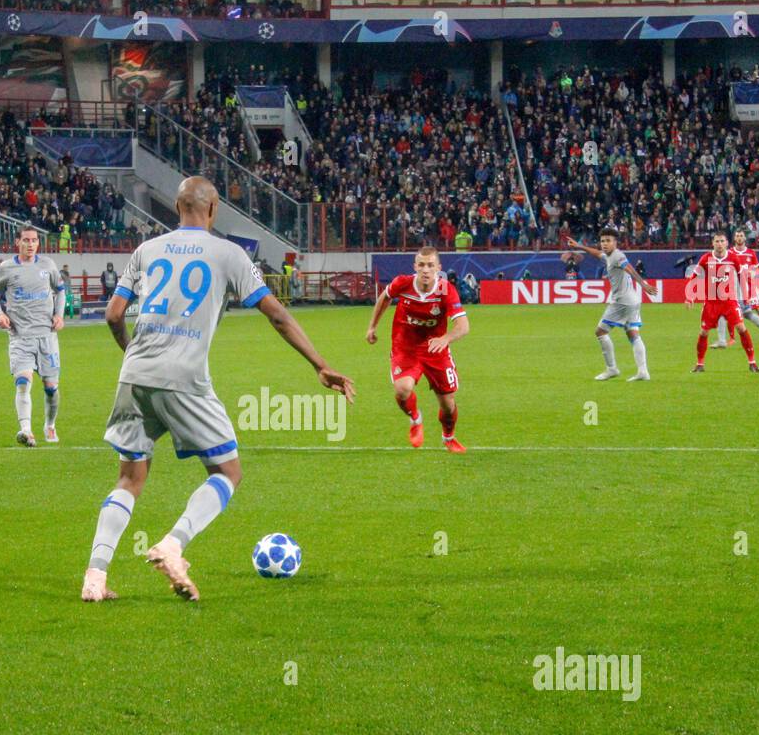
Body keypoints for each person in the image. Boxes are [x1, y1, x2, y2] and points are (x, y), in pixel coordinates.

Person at [81, 176, 354, 604]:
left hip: (134, 374)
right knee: (228, 472)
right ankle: (173, 544)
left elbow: (114, 314)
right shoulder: (229, 254)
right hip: (185, 379)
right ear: (214, 209)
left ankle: (94, 577)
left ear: (176, 206)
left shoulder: (146, 250)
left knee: (130, 478)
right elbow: (277, 315)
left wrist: (131, 354)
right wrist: (320, 364)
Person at [365, 245, 469, 452]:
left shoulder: (446, 290)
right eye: (421, 265)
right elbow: (384, 298)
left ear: (438, 267)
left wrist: (445, 338)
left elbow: (463, 326)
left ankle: (448, 437)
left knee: (448, 405)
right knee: (403, 390)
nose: (425, 270)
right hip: (406, 348)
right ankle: (415, 419)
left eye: (430, 265)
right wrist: (372, 326)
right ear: (415, 266)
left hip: (435, 350)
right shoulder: (402, 283)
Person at [0, 226, 65, 447]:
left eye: (34, 240)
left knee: (51, 388)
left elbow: (60, 290)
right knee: (23, 382)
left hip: (47, 337)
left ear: (38, 243)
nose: (30, 244)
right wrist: (0, 314)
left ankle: (50, 425)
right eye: (26, 240)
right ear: (18, 242)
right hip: (20, 337)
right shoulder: (7, 268)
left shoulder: (48, 265)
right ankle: (26, 430)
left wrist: (59, 315)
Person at [568, 230, 659, 382]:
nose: (604, 244)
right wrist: (580, 246)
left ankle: (612, 369)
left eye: (608, 240)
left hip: (621, 301)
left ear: (615, 243)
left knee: (600, 332)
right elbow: (597, 253)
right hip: (633, 300)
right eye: (602, 240)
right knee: (633, 334)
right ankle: (643, 372)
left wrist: (644, 284)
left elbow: (629, 268)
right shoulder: (609, 256)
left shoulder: (617, 256)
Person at [689, 231, 759, 373]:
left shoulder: (733, 258)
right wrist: (690, 296)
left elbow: (742, 278)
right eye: (717, 241)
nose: (720, 244)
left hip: (729, 301)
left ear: (727, 243)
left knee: (741, 327)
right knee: (703, 332)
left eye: (722, 241)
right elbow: (694, 276)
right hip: (711, 302)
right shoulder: (705, 258)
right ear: (713, 243)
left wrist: (746, 296)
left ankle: (752, 363)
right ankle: (700, 364)